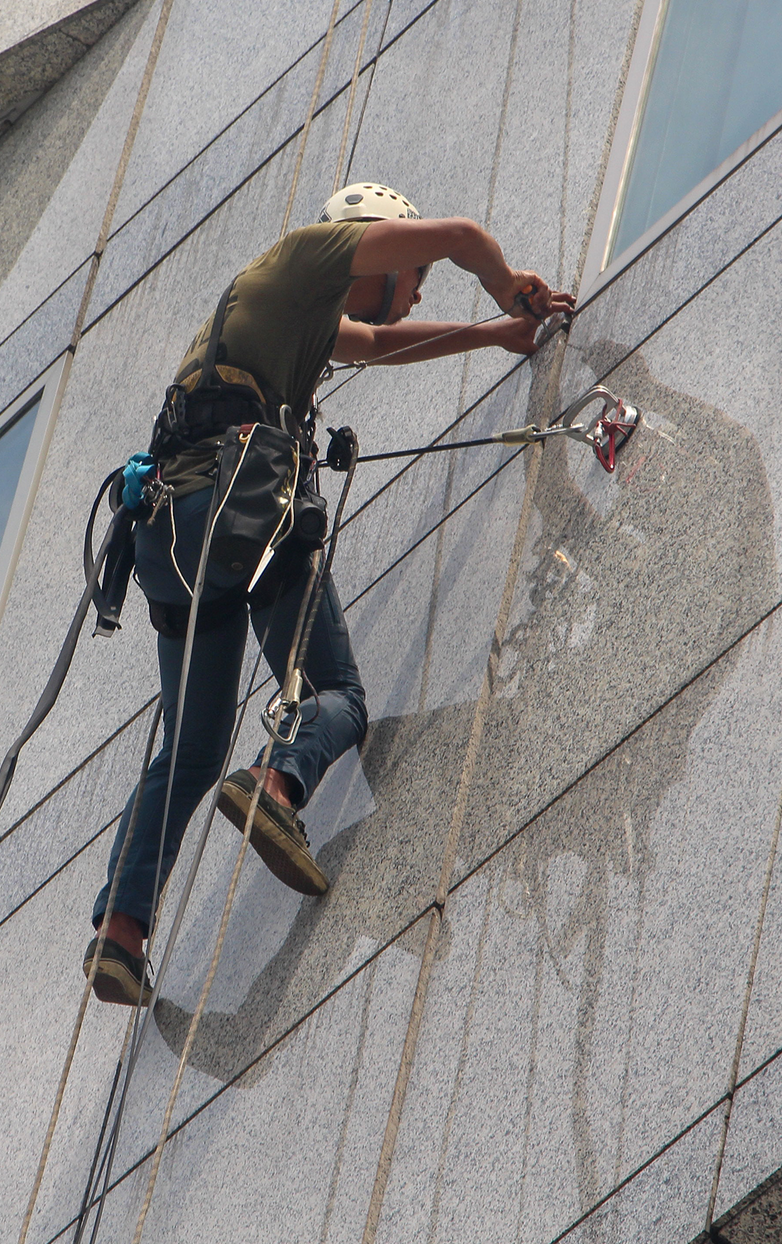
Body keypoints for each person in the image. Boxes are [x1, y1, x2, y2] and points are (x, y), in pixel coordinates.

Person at [83, 183, 575, 1006]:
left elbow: (377, 342)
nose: (414, 289)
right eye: (410, 272)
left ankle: (119, 932)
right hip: (241, 511)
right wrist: (506, 285)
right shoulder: (305, 256)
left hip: (169, 536)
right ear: (377, 245)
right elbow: (457, 233)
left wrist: (492, 336)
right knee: (338, 693)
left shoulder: (285, 316)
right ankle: (277, 783)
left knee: (191, 748)